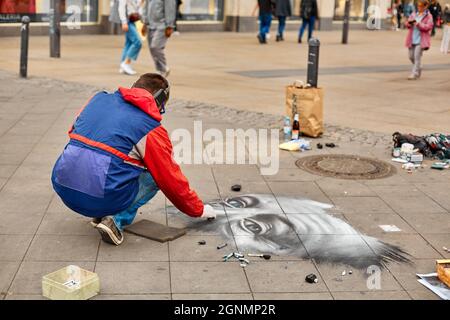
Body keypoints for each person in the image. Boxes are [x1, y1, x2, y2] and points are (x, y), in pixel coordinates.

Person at [51, 73, 216, 245]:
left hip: (63, 186)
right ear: (158, 100)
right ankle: (114, 219)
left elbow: (75, 132)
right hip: (98, 197)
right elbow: (170, 179)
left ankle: (100, 210)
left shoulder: (97, 99)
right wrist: (198, 209)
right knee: (155, 173)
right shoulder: (150, 129)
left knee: (99, 154)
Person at [143, 0, 176, 77]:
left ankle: (164, 68)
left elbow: (170, 9)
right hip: (150, 25)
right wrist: (144, 23)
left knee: (156, 47)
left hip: (162, 26)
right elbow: (146, 8)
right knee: (152, 49)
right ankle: (159, 70)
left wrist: (169, 26)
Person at [405, 0, 434, 80]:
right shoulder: (414, 14)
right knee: (411, 56)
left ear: (425, 6)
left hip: (421, 40)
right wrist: (409, 23)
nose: (419, 7)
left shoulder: (429, 16)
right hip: (412, 39)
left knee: (417, 57)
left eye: (421, 5)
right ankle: (419, 67)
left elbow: (429, 26)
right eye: (418, 5)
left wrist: (419, 24)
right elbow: (407, 24)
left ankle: (414, 73)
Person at [116, 0, 144, 75]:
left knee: (128, 43)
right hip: (127, 21)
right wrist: (124, 22)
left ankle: (123, 66)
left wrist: (140, 3)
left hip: (132, 20)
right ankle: (126, 63)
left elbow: (136, 9)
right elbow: (121, 7)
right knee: (138, 42)